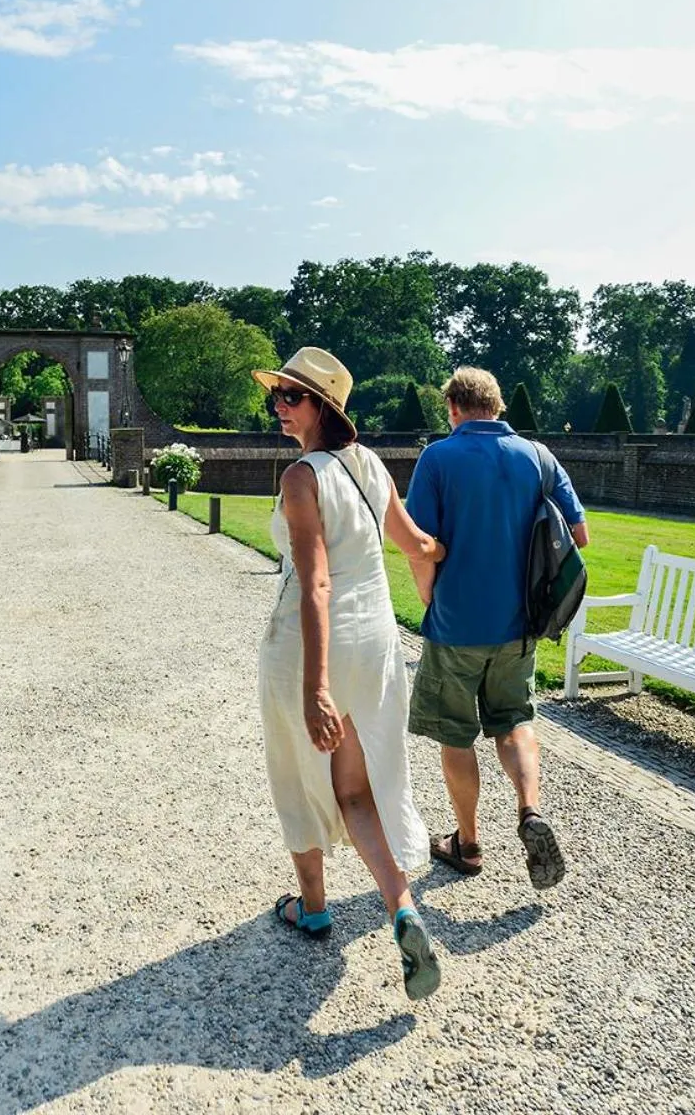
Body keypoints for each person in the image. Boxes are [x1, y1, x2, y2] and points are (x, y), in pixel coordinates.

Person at [254, 347, 449, 1001]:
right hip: (376, 643)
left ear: (323, 408)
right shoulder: (371, 467)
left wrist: (315, 688)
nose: (278, 406)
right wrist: (442, 572)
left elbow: (313, 585)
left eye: (291, 397)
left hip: (313, 645)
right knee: (358, 790)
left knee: (296, 775)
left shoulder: (301, 478)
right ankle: (403, 909)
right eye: (276, 395)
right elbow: (415, 543)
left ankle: (312, 907)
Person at [405, 368, 588, 891]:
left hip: (457, 624)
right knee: (514, 722)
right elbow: (579, 534)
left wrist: (429, 596)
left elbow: (422, 543)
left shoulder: (438, 457)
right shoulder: (539, 456)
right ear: (498, 406)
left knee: (456, 735)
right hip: (520, 625)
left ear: (454, 408)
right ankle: (530, 811)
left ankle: (467, 843)